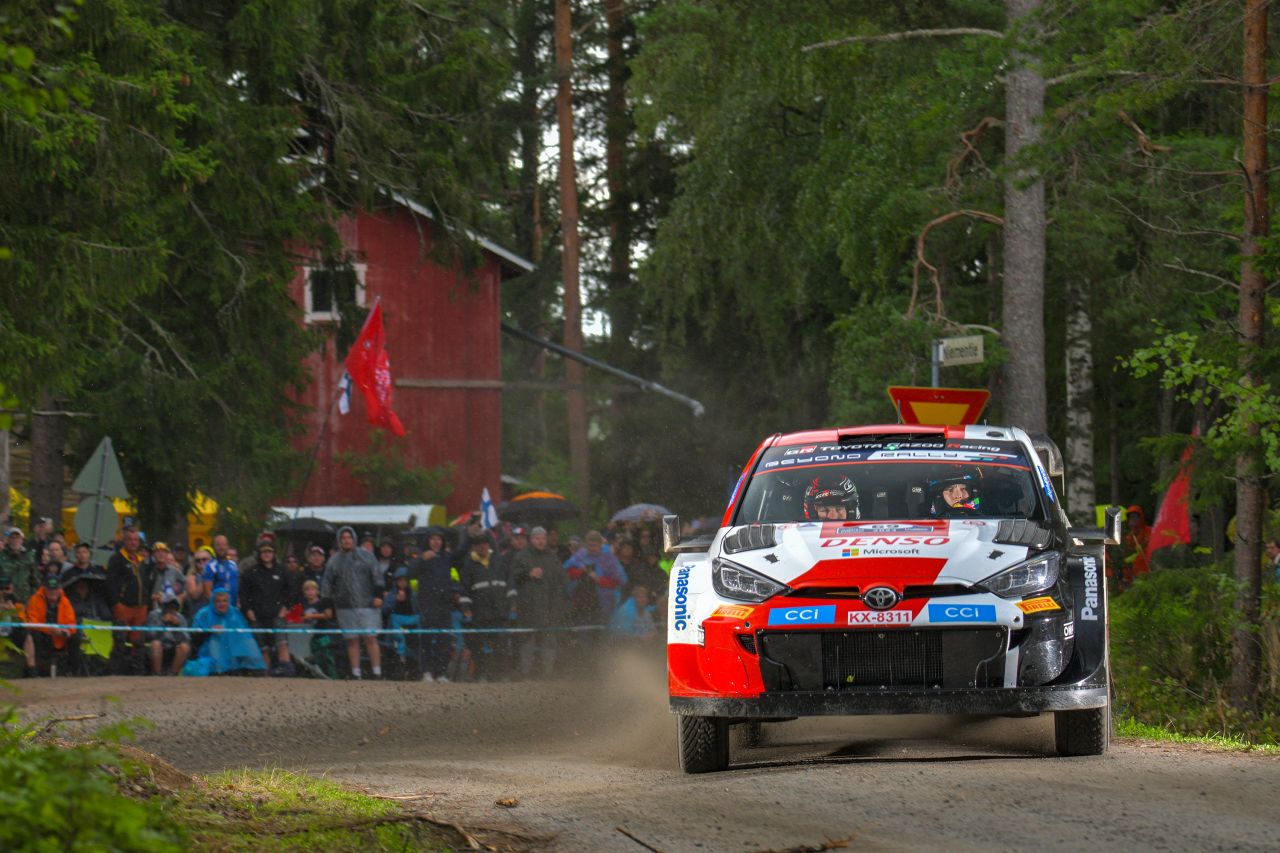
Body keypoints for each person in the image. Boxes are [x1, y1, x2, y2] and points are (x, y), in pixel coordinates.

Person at [321, 526, 384, 679]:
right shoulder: (334, 561)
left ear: (354, 539)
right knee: (352, 640)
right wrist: (327, 604)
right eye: (343, 538)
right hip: (344, 606)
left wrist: (378, 595)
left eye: (349, 537)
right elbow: (327, 584)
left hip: (368, 604)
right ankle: (356, 673)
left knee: (370, 638)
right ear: (339, 540)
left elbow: (377, 576)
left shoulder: (367, 556)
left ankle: (377, 672)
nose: (346, 540)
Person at [509, 526, 567, 679]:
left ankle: (548, 673)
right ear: (531, 539)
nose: (540, 541)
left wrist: (558, 602)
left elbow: (561, 579)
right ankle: (526, 673)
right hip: (528, 606)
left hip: (549, 606)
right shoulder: (522, 556)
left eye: (543, 538)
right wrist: (528, 574)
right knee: (527, 641)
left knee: (549, 640)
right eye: (537, 538)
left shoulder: (552, 557)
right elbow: (514, 577)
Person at [407, 528, 463, 682]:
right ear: (428, 541)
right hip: (427, 604)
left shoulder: (447, 557)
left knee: (444, 639)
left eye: (438, 539)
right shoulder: (422, 556)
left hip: (444, 604)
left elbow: (461, 554)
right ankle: (426, 671)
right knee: (426, 637)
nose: (436, 542)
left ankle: (441, 672)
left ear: (442, 542)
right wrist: (421, 559)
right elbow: (410, 573)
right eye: (432, 539)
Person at [458, 535, 511, 680]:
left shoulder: (499, 561)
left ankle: (499, 675)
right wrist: (466, 608)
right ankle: (480, 674)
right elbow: (464, 589)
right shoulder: (468, 565)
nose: (483, 547)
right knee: (479, 647)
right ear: (474, 547)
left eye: (485, 543)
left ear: (489, 545)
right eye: (479, 544)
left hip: (499, 612)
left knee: (500, 645)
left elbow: (508, 583)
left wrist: (511, 604)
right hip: (479, 613)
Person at [239, 540, 294, 674]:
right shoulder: (250, 572)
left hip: (277, 615)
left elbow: (291, 591)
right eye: (264, 551)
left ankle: (286, 671)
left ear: (274, 553)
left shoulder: (282, 571)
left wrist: (285, 607)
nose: (267, 554)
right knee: (262, 646)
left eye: (269, 551)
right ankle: (265, 673)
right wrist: (247, 610)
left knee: (282, 643)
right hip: (257, 616)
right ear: (259, 554)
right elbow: (243, 594)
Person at [186, 587, 266, 675]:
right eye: (218, 601)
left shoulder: (234, 613)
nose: (222, 604)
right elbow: (195, 635)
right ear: (213, 602)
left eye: (225, 601)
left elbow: (245, 634)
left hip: (233, 653)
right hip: (209, 652)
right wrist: (209, 630)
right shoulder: (204, 613)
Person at [564, 530, 627, 623]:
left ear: (600, 544)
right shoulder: (581, 554)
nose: (592, 549)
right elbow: (567, 570)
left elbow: (620, 580)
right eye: (590, 546)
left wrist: (599, 580)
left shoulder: (608, 558)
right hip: (582, 601)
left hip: (605, 602)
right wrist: (581, 571)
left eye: (595, 546)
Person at [24, 574, 79, 676]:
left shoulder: (65, 602)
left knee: (75, 637)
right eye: (50, 589)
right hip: (42, 635)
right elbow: (32, 622)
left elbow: (72, 624)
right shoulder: (35, 600)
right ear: (44, 588)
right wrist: (50, 629)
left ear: (60, 589)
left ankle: (74, 671)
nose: (53, 592)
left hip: (60, 637)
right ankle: (33, 671)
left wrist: (66, 632)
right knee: (32, 634)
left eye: (55, 589)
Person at [106, 528, 151, 647]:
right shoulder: (116, 559)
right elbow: (110, 584)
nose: (133, 543)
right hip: (123, 607)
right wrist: (116, 604)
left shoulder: (141, 561)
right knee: (120, 642)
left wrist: (146, 603)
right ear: (124, 541)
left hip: (141, 608)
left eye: (136, 540)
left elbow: (146, 583)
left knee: (138, 643)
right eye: (130, 540)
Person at [382, 567, 420, 676]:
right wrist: (396, 600)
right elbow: (384, 610)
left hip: (411, 625)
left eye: (405, 580)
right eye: (400, 580)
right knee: (398, 642)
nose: (403, 583)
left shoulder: (413, 594)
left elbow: (418, 610)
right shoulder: (392, 594)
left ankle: (412, 667)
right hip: (396, 625)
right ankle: (400, 663)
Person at [145, 597, 191, 676]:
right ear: (164, 606)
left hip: (173, 647)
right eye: (169, 606)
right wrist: (163, 622)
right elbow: (150, 635)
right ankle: (157, 674)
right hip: (158, 646)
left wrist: (177, 626)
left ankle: (172, 674)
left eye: (174, 607)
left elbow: (186, 639)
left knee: (184, 647)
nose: (171, 609)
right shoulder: (154, 615)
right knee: (156, 644)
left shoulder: (181, 618)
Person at [0, 527, 36, 602]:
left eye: (17, 538)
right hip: (6, 600)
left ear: (22, 540)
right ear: (8, 540)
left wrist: (33, 596)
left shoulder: (29, 556)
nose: (15, 541)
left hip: (26, 599)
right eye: (12, 538)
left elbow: (34, 579)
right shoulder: (2, 557)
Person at [201, 534, 239, 606]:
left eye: (224, 545)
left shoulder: (233, 564)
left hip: (233, 607)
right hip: (219, 608)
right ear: (214, 547)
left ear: (228, 547)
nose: (221, 547)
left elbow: (237, 585)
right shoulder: (210, 566)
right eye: (218, 545)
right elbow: (207, 592)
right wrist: (217, 607)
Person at [149, 543, 187, 610]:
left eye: (163, 552)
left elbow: (186, 585)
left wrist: (181, 597)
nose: (161, 554)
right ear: (153, 555)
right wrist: (153, 596)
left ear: (167, 554)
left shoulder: (174, 571)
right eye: (158, 552)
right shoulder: (149, 571)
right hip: (154, 609)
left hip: (171, 609)